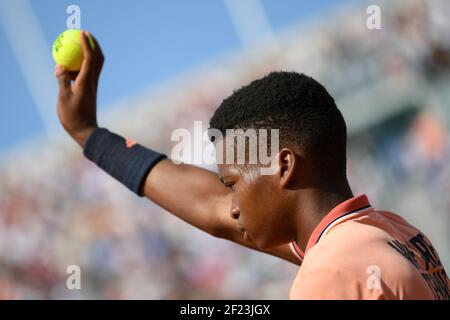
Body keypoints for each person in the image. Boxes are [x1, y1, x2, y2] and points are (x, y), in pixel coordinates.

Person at [54, 31, 449, 300]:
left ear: (283, 167)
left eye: (232, 184)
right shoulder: (391, 232)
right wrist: (91, 136)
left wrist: (87, 134)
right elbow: (216, 213)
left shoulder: (331, 274)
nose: (234, 205)